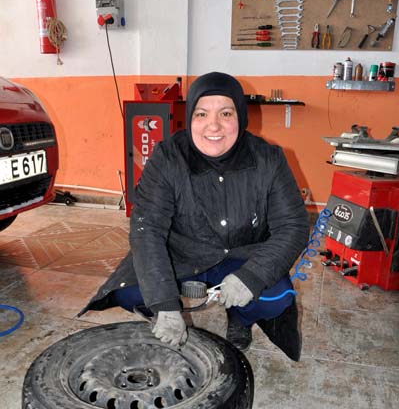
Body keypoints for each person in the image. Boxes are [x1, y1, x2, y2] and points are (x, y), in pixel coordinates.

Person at [79, 72, 310, 360]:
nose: (213, 125)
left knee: (274, 298)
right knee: (131, 292)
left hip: (243, 255)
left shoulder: (269, 159)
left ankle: (240, 318)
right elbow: (147, 229)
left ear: (241, 117)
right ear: (189, 118)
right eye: (201, 114)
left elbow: (293, 226)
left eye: (226, 113)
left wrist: (252, 276)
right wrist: (164, 303)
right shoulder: (168, 157)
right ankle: (166, 317)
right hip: (183, 255)